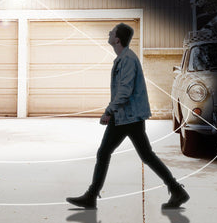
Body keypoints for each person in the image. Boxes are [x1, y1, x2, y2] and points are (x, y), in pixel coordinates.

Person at [66, 23, 190, 209]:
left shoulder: (127, 60)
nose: (109, 33)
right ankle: (177, 190)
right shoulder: (124, 58)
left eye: (112, 32)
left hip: (127, 116)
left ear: (117, 39)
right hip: (129, 116)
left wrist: (109, 111)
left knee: (105, 153)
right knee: (145, 155)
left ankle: (91, 196)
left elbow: (124, 91)